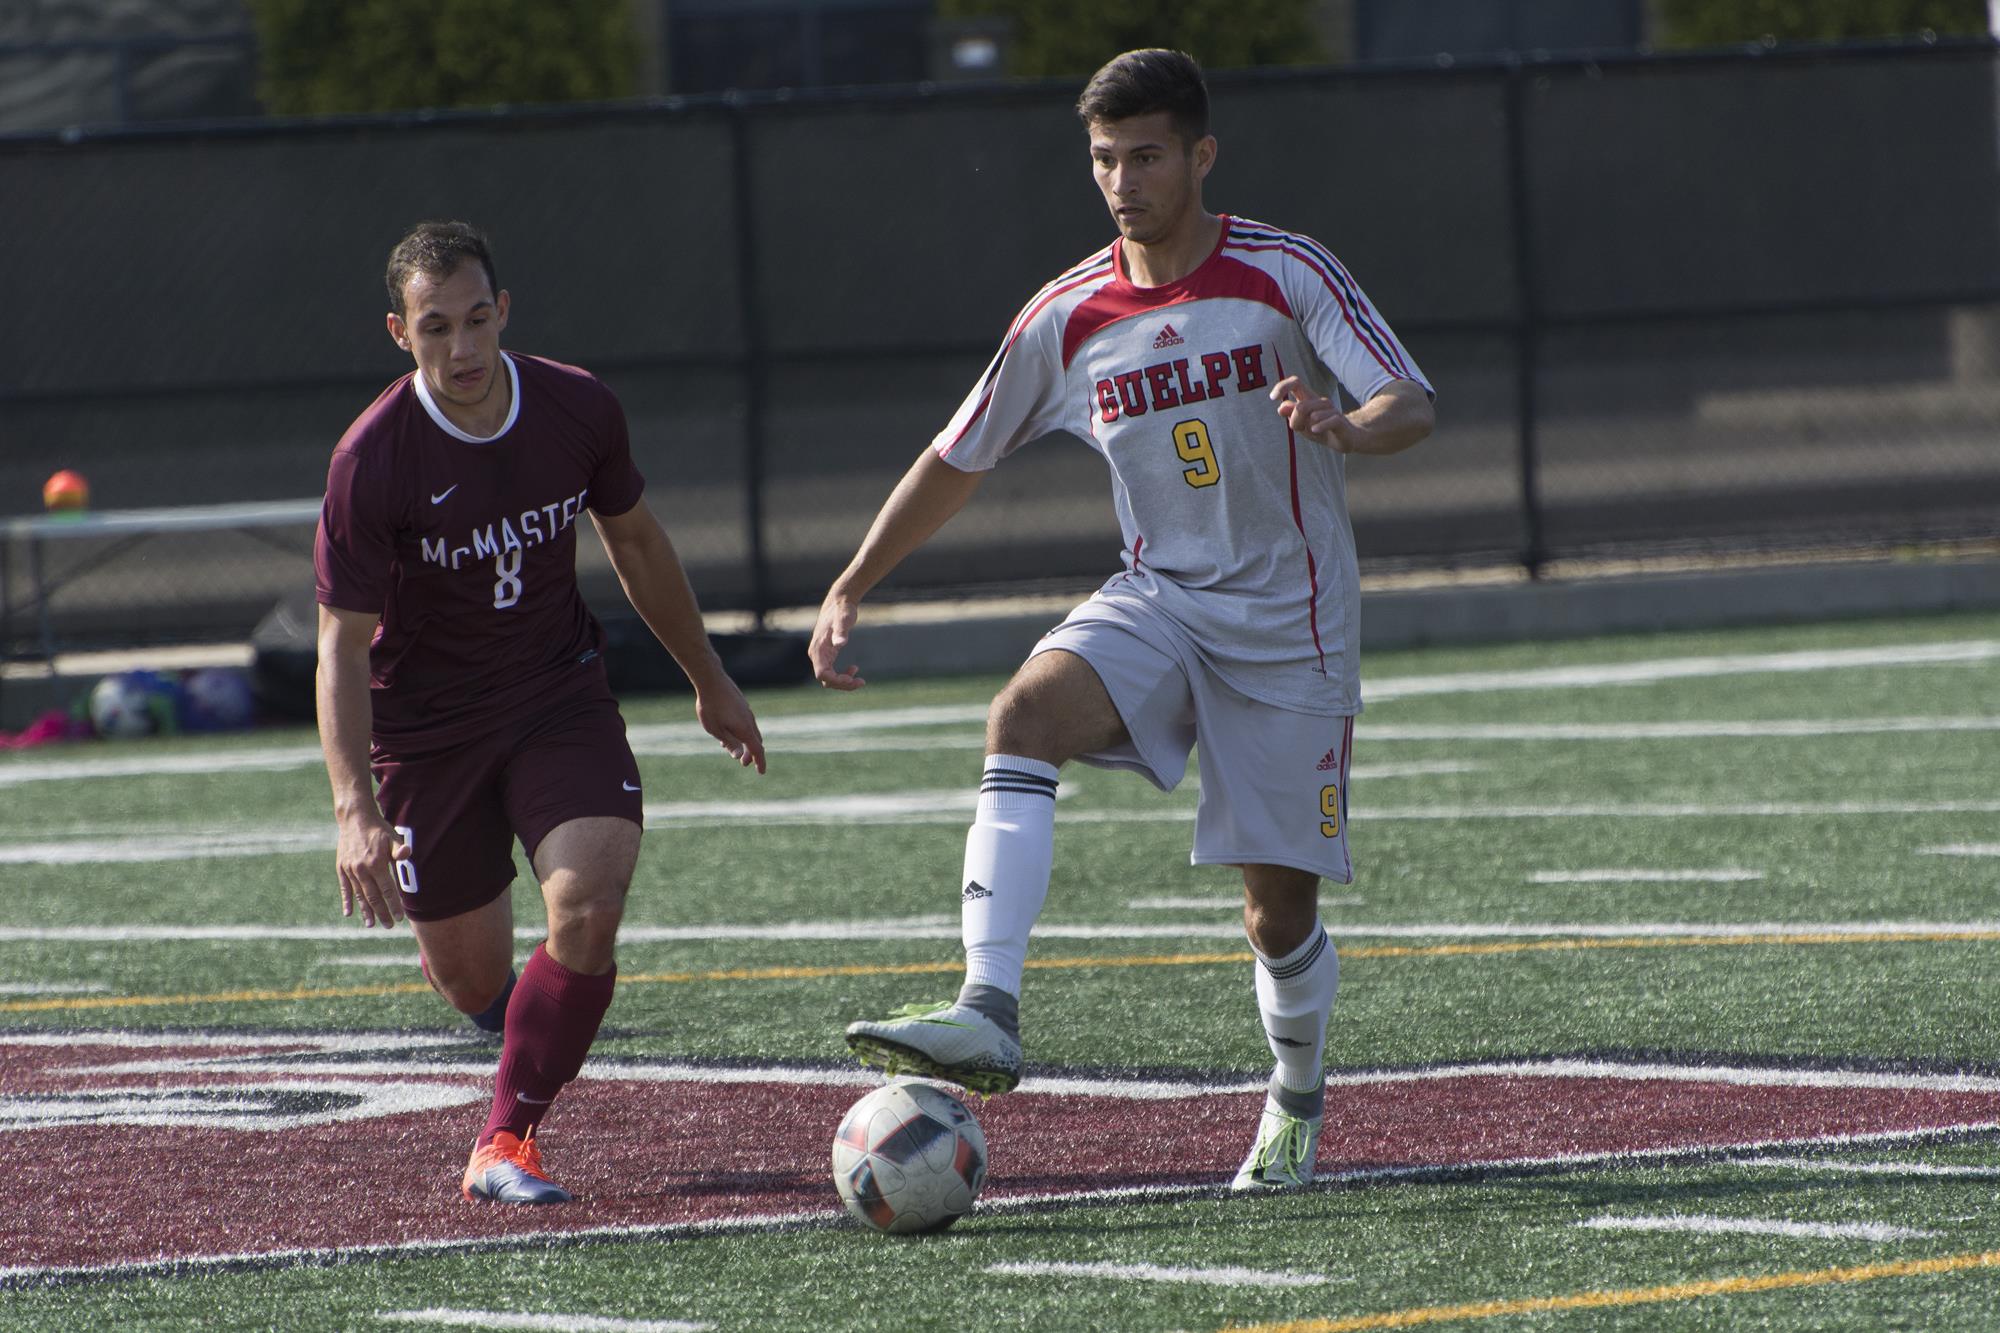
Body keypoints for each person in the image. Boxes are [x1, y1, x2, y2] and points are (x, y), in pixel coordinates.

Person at [809, 49, 1434, 1191]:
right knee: (1023, 711)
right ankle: (987, 1007)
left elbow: (1409, 402)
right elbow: (956, 458)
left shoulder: (1285, 271)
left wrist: (1344, 426)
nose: (1122, 179)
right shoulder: (1067, 311)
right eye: (1103, 158)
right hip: (1158, 598)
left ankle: (1293, 1097)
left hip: (1289, 623)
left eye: (1145, 154)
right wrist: (853, 580)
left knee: (1273, 913)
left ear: (1199, 155)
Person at [314, 220, 766, 1204]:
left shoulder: (574, 405)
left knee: (589, 897)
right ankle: (521, 1020)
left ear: (504, 310)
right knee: (474, 984)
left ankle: (506, 1135)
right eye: (436, 328)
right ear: (399, 331)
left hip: (556, 692)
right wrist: (354, 807)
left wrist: (707, 673)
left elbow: (637, 545)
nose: (463, 348)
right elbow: (341, 644)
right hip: (427, 731)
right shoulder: (371, 459)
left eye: (477, 319)